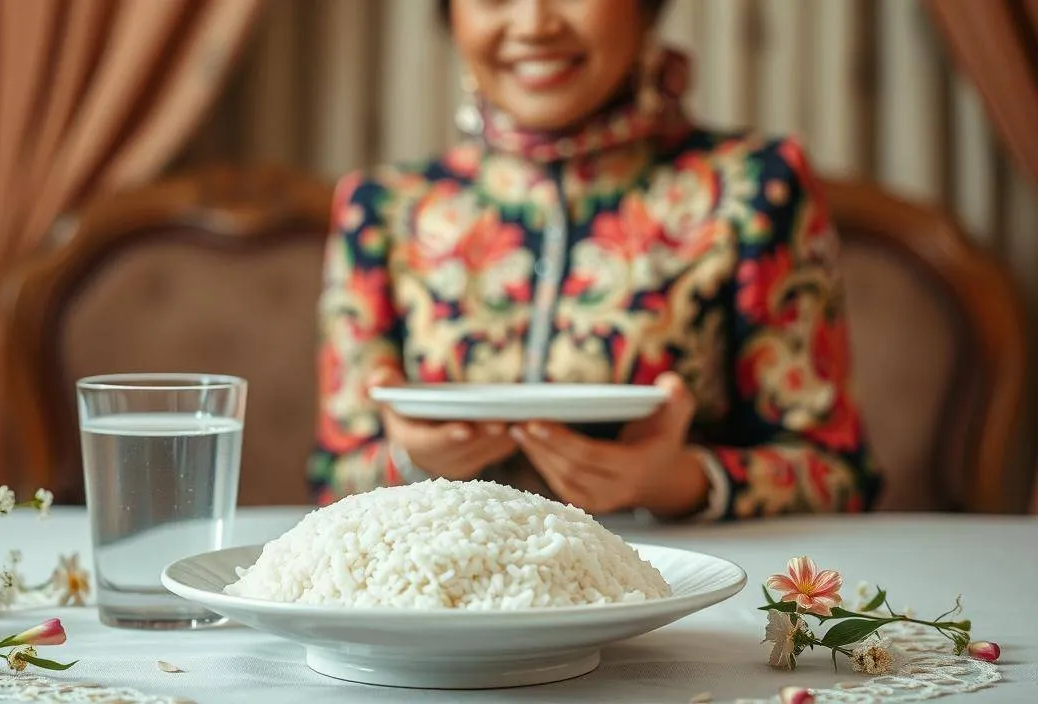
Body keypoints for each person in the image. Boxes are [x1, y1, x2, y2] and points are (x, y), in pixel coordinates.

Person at [309, 0, 881, 520]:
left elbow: (836, 473)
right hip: (442, 607)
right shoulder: (385, 209)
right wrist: (410, 460)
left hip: (677, 600)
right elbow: (333, 481)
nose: (534, 24)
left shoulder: (754, 187)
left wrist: (674, 482)